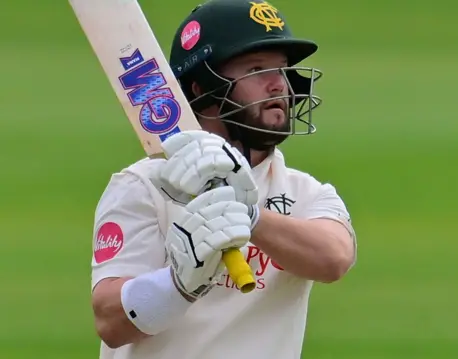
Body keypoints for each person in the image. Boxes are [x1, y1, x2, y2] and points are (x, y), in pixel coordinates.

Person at [89, 0, 357, 358]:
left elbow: (334, 258)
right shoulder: (144, 186)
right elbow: (110, 321)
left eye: (281, 70)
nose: (279, 86)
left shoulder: (305, 192)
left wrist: (251, 216)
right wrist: (177, 285)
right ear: (201, 88)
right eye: (257, 69)